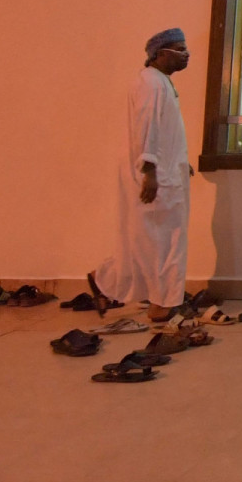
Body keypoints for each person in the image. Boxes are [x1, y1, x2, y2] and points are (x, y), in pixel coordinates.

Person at [91, 28, 193, 322]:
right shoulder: (151, 84)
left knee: (152, 240)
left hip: (168, 172)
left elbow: (167, 131)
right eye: (180, 49)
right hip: (157, 176)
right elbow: (146, 128)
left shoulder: (161, 82)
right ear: (159, 54)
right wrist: (150, 170)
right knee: (164, 241)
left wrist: (181, 161)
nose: (186, 55)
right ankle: (162, 304)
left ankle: (104, 280)